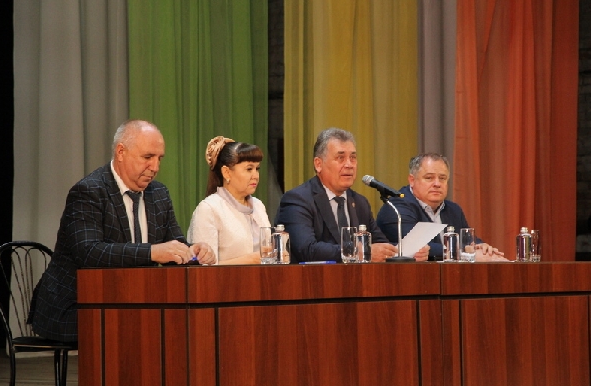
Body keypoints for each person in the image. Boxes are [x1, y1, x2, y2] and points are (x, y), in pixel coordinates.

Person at [31, 120, 216, 342]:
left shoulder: (159, 194)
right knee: (143, 328)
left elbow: (173, 245)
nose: (155, 167)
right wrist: (152, 252)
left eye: (159, 158)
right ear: (121, 152)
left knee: (185, 323)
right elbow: (89, 253)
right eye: (148, 157)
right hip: (77, 305)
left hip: (133, 301)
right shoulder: (89, 191)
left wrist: (193, 252)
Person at [274, 127, 429, 263]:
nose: (349, 165)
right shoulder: (298, 200)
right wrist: (360, 252)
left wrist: (407, 252)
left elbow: (379, 245)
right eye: (340, 158)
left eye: (353, 158)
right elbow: (307, 249)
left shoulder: (360, 202)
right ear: (318, 164)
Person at [376, 153, 504, 261]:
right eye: (429, 178)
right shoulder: (396, 208)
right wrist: (468, 254)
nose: (437, 184)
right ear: (412, 180)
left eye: (442, 178)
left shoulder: (453, 209)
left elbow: (468, 241)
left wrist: (482, 247)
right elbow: (417, 247)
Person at [187, 136, 270, 264]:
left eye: (257, 169)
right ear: (226, 172)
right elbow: (204, 268)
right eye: (249, 169)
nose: (256, 176)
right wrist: (251, 260)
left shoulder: (258, 205)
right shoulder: (209, 209)